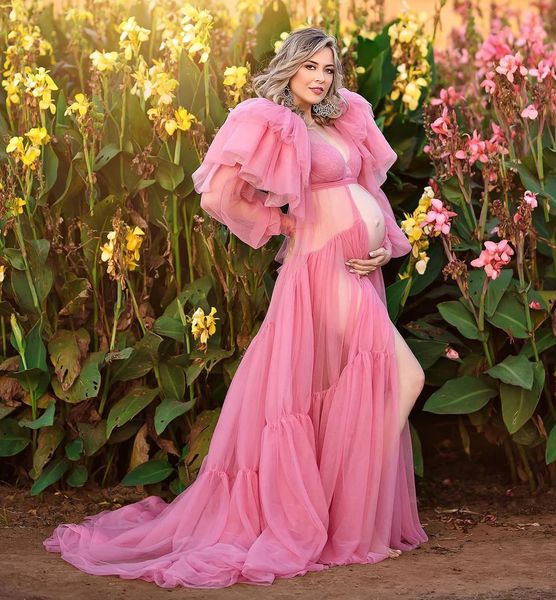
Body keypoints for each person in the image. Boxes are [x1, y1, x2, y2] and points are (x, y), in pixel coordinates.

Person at [43, 26, 428, 589]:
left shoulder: (340, 117)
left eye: (328, 68)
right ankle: (346, 521)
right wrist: (283, 223)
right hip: (321, 271)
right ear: (290, 67)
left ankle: (346, 515)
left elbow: (364, 186)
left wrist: (378, 245)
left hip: (354, 272)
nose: (321, 78)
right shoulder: (271, 121)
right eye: (310, 67)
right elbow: (218, 195)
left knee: (369, 383)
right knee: (402, 375)